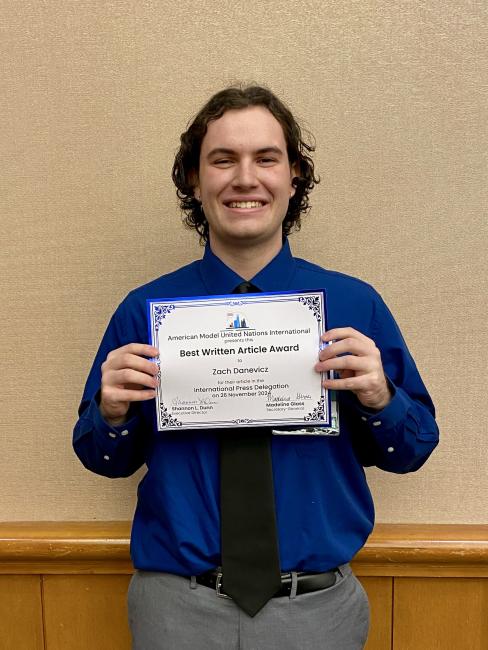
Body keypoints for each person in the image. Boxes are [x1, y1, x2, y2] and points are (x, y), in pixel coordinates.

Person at [73, 85, 439, 649]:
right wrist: (112, 412)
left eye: (266, 158)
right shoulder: (143, 313)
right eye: (223, 160)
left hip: (318, 611)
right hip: (177, 610)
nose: (246, 178)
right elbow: (102, 458)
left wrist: (381, 400)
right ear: (195, 181)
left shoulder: (354, 307)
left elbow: (414, 449)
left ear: (294, 177)